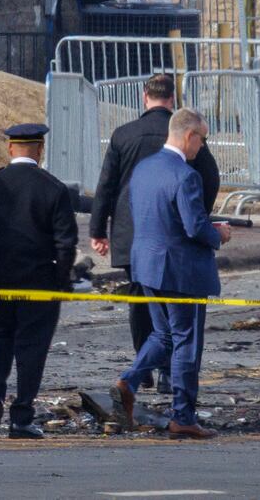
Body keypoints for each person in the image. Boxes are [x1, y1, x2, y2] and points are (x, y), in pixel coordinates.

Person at [91, 74, 219, 393]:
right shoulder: (183, 140)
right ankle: (173, 387)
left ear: (144, 97)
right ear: (172, 100)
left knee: (144, 310)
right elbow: (210, 177)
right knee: (182, 327)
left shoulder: (123, 134)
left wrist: (98, 230)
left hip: (134, 239)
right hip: (176, 245)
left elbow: (106, 186)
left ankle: (140, 372)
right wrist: (200, 217)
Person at [111, 108, 231, 440]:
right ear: (190, 136)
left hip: (147, 265)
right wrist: (217, 233)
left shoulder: (144, 169)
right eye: (202, 140)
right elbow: (194, 227)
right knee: (186, 342)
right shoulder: (186, 175)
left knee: (162, 336)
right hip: (181, 271)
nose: (202, 148)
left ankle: (129, 380)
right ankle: (183, 415)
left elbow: (141, 213)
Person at [0, 123, 77, 440]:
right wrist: (60, 279)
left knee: (1, 337)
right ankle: (21, 415)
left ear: (11, 148)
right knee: (32, 347)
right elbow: (65, 243)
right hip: (39, 281)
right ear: (40, 150)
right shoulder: (53, 189)